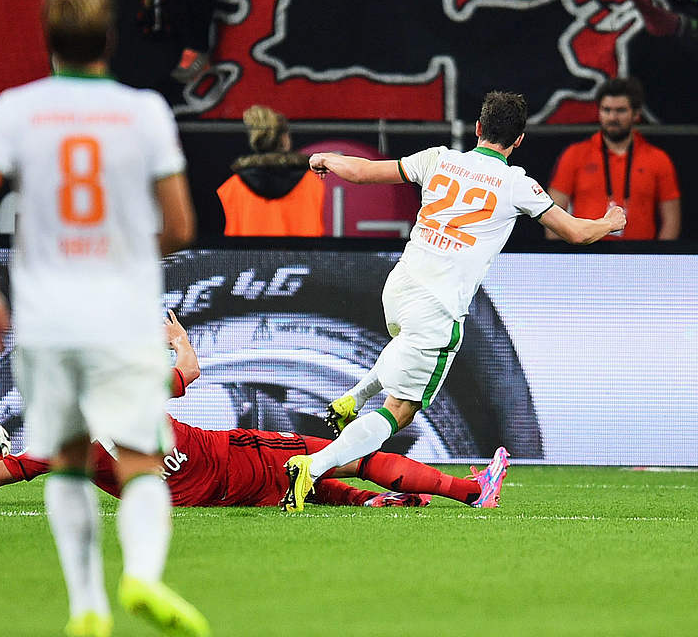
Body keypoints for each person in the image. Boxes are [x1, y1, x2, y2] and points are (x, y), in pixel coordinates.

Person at [0, 0, 205, 637]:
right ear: (110, 39)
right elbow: (179, 225)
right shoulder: (144, 111)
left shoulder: (16, 109)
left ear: (48, 40)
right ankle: (143, 577)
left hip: (45, 317)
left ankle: (86, 604)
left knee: (66, 459)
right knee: (141, 458)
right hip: (119, 314)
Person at [282, 91, 626, 512]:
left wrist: (328, 159)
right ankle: (313, 468)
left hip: (400, 287)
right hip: (439, 307)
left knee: (404, 347)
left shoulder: (440, 159)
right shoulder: (518, 184)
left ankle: (353, 396)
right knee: (401, 410)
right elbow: (574, 232)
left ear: (478, 128)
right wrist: (610, 222)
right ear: (518, 140)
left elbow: (366, 172)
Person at [0, 313, 508, 509]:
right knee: (346, 456)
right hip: (225, 455)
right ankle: (467, 489)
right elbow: (190, 372)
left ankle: (376, 509)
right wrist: (177, 336)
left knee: (304, 481)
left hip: (208, 498)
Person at [547, 78, 681, 240]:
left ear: (636, 114)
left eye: (621, 110)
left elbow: (671, 220)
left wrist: (660, 260)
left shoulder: (658, 159)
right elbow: (553, 216)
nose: (612, 117)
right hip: (585, 257)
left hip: (640, 259)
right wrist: (560, 256)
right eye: (606, 110)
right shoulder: (574, 155)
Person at [216, 105, 325, 237]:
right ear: (284, 139)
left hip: (250, 258)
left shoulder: (232, 187)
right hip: (299, 257)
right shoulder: (312, 183)